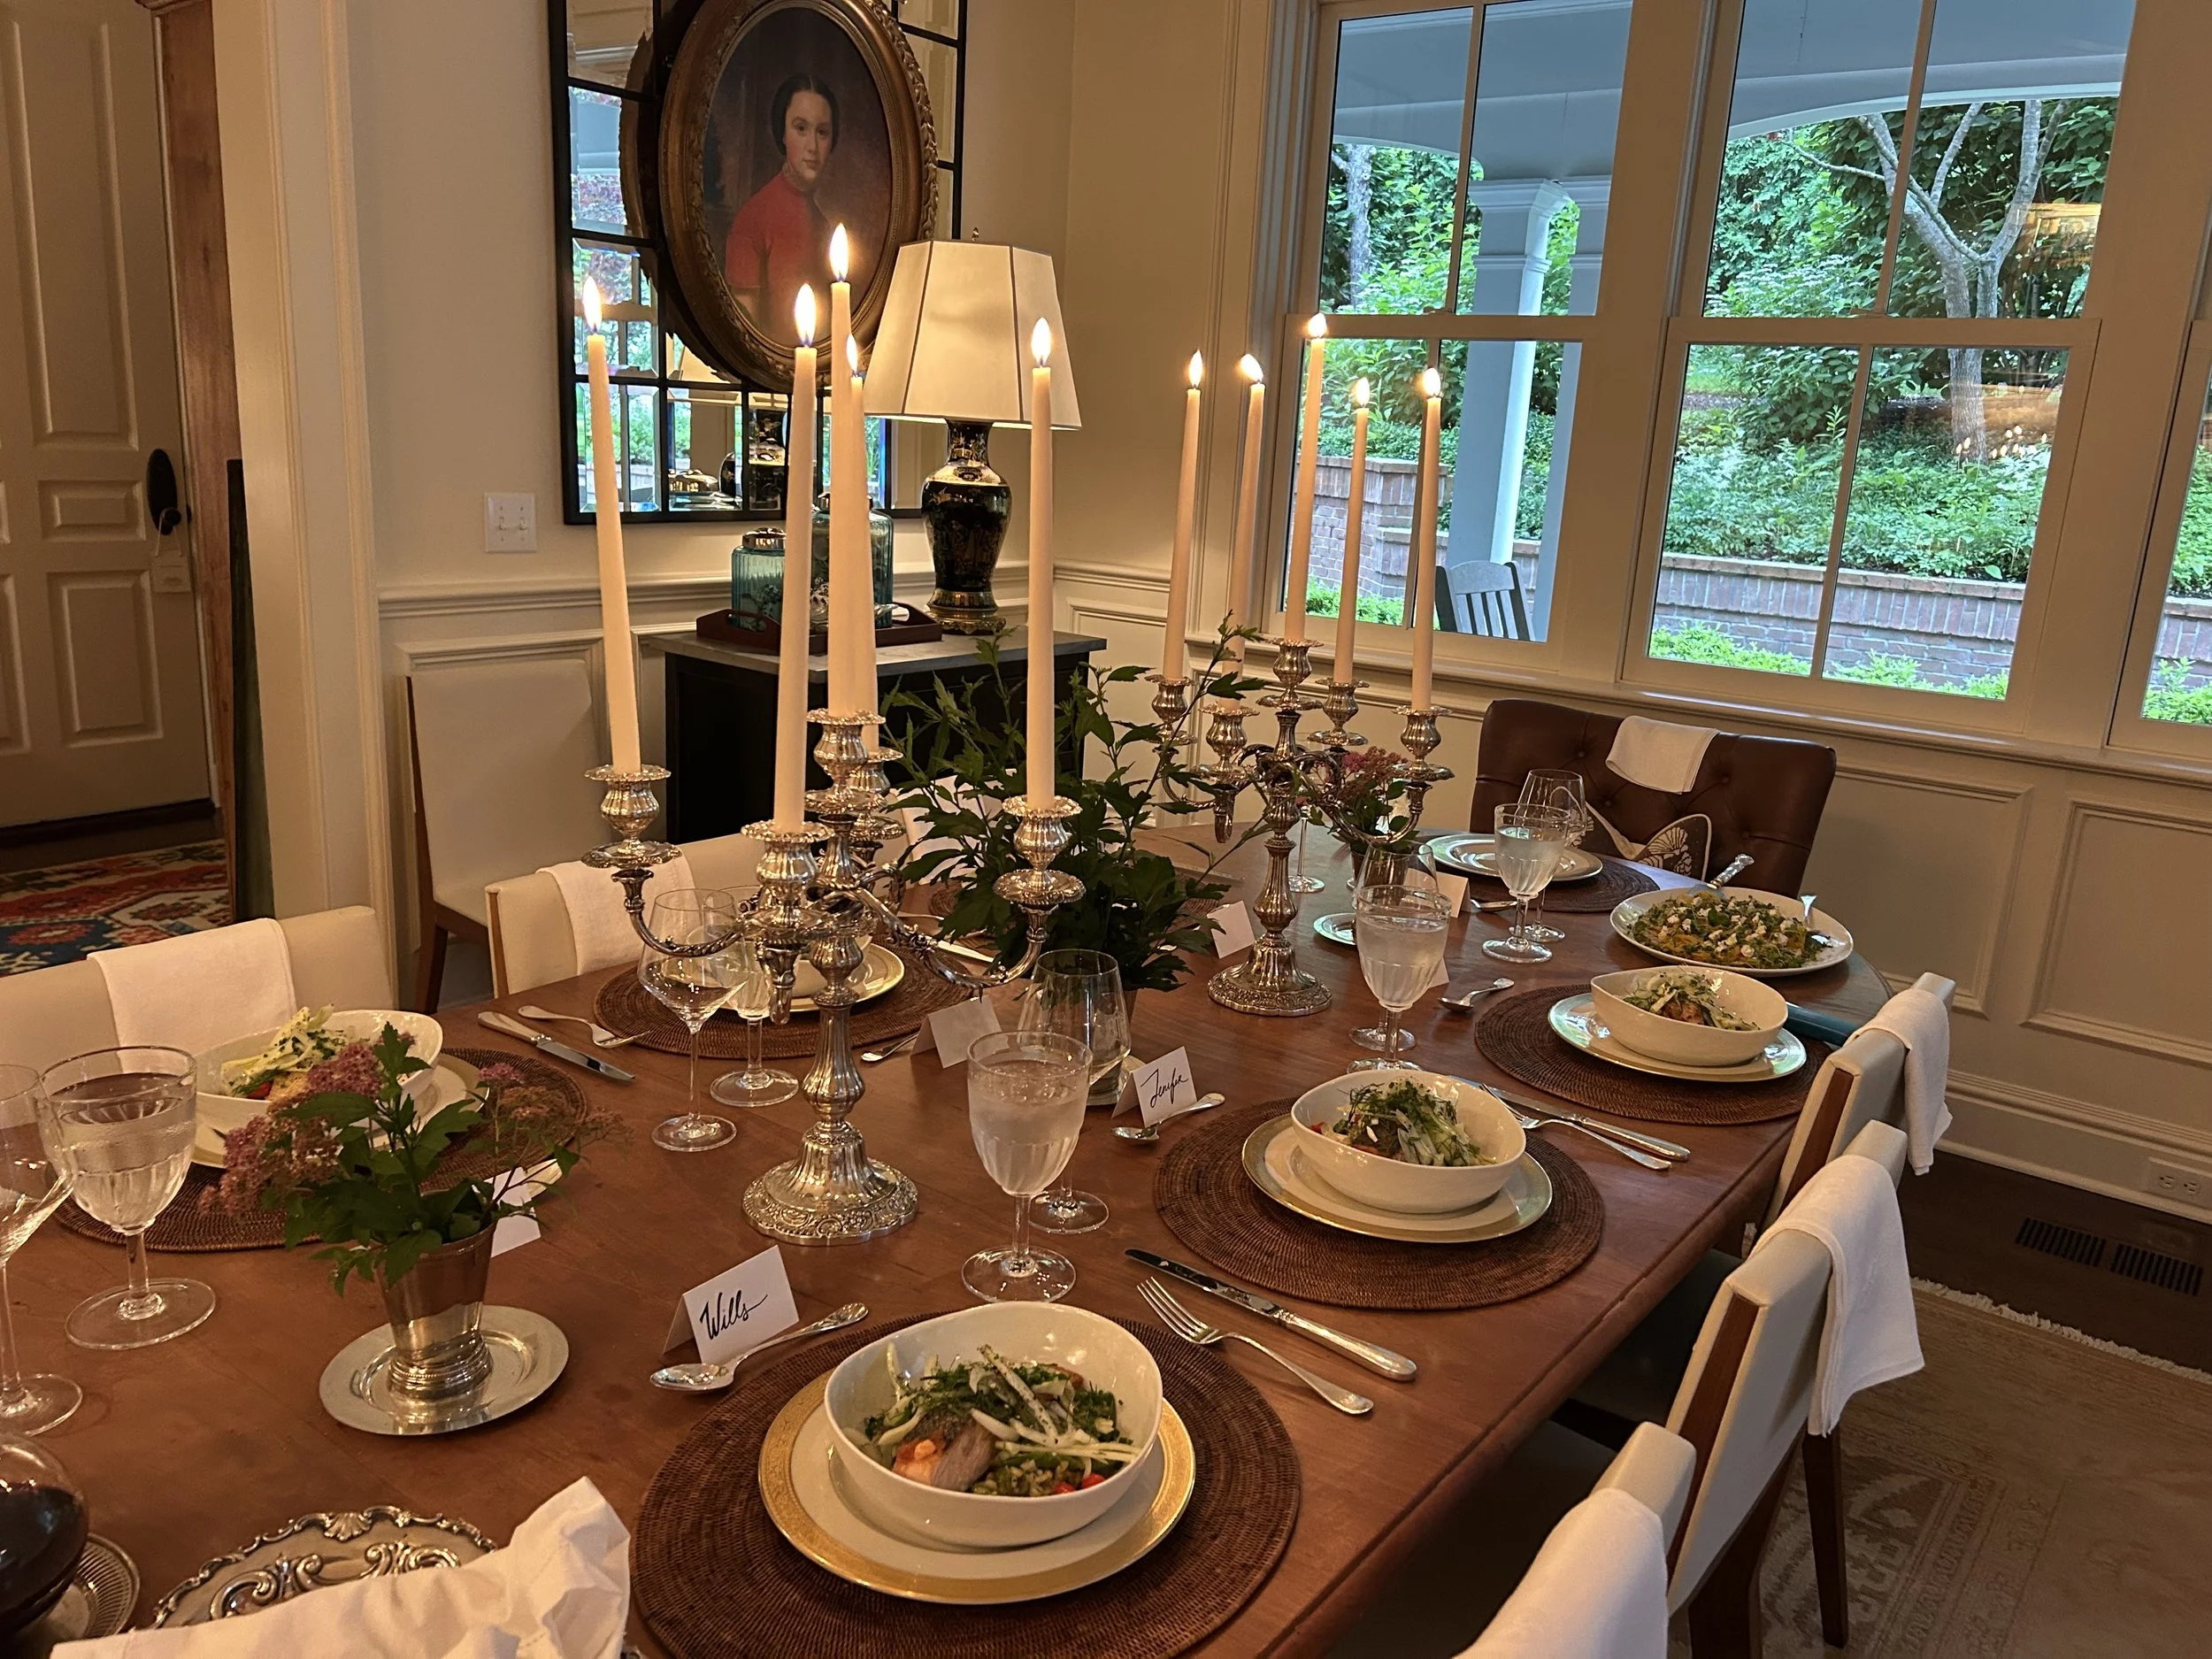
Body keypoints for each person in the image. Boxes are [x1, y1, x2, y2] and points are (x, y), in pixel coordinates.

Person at [723, 73, 837, 343]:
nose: (812, 147)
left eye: (822, 132)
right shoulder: (753, 218)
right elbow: (745, 331)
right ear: (783, 133)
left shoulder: (824, 224)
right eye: (801, 128)